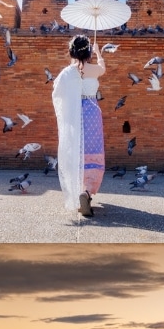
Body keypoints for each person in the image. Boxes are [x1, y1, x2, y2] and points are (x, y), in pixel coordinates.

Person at [53, 34, 106, 217]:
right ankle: (87, 191)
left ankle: (77, 192)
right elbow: (103, 68)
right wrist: (98, 53)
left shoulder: (68, 72)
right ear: (88, 51)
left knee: (76, 151)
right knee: (93, 151)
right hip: (92, 114)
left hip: (75, 116)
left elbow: (57, 92)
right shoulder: (95, 70)